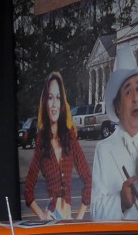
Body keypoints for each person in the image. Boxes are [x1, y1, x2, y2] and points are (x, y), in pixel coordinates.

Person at [23, 70, 91, 221]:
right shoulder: (42, 143)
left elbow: (88, 178)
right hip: (51, 216)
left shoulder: (70, 139)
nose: (54, 104)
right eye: (50, 97)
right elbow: (28, 189)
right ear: (45, 102)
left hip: (68, 219)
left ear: (62, 104)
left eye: (58, 98)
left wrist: (78, 218)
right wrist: (42, 216)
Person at [92, 49, 138, 221]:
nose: (135, 98)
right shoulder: (104, 150)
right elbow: (95, 213)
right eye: (128, 91)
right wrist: (120, 203)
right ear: (117, 106)